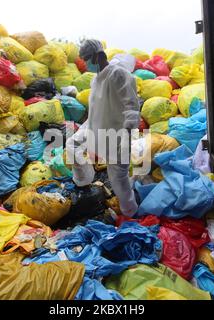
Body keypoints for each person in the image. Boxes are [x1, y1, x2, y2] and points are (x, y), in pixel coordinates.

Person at [66, 39, 140, 217]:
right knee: (72, 145)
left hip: (116, 134)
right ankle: (84, 180)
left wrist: (127, 135)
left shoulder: (118, 75)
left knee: (118, 179)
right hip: (94, 127)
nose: (85, 63)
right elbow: (96, 109)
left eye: (87, 58)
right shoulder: (96, 79)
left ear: (99, 56)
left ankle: (131, 213)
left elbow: (131, 107)